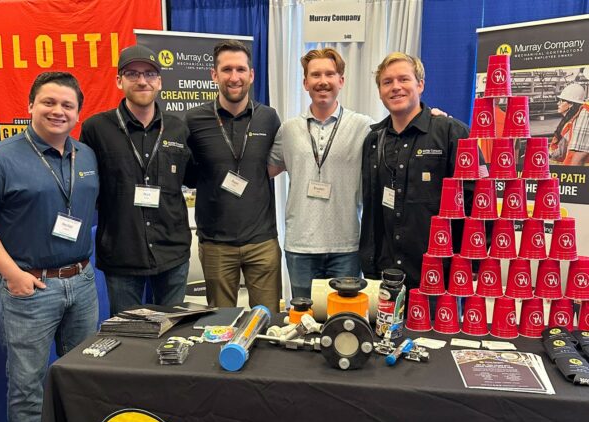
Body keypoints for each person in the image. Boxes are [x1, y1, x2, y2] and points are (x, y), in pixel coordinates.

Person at [0, 72, 99, 422]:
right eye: (49, 102)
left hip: (81, 282)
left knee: (84, 376)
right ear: (30, 106)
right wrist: (12, 274)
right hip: (30, 289)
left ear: (78, 113)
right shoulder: (0, 158)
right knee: (27, 386)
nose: (58, 111)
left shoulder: (86, 155)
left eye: (67, 105)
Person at [80, 45, 193, 316]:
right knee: (127, 336)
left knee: (173, 331)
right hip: (122, 253)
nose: (142, 81)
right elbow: (86, 188)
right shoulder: (96, 129)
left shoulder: (178, 128)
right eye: (133, 74)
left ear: (160, 82)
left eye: (150, 74)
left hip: (172, 252)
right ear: (119, 80)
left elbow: (193, 177)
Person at [359, 52, 484, 292]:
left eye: (404, 79)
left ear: (420, 85)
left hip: (440, 275)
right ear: (380, 91)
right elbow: (372, 207)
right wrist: (368, 262)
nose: (395, 87)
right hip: (386, 275)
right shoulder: (374, 140)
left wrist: (473, 260)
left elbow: (477, 198)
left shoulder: (451, 133)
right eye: (387, 82)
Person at [184, 40, 282, 311]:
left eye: (241, 69)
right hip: (216, 244)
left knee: (268, 321)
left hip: (262, 241)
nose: (234, 77)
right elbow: (188, 175)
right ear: (214, 75)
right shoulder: (193, 120)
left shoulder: (269, 118)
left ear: (251, 75)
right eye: (227, 69)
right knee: (221, 324)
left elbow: (276, 164)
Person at [268, 48, 373, 298]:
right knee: (304, 316)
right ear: (305, 83)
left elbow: (398, 132)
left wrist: (432, 116)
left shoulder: (363, 126)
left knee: (343, 317)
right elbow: (265, 170)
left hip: (346, 246)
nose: (322, 81)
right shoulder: (288, 129)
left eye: (329, 74)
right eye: (315, 75)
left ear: (341, 80)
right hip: (300, 246)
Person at [549, 83, 585, 165]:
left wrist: (547, 155)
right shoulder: (570, 121)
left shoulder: (571, 125)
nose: (558, 103)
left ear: (571, 104)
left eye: (561, 101)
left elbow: (560, 153)